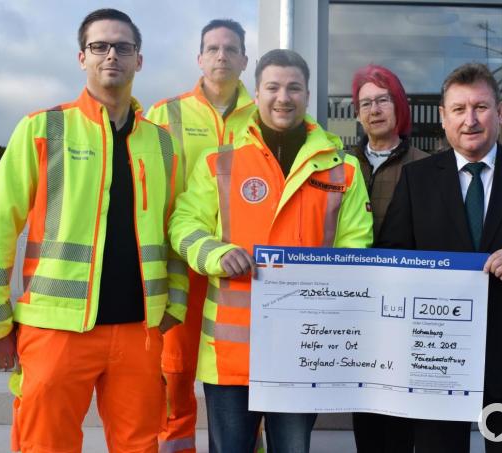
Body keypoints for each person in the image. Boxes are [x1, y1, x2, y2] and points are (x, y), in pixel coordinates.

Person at [0, 8, 186, 452]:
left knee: (140, 446)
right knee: (44, 444)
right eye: (100, 46)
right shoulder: (43, 128)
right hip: (55, 328)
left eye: (123, 47)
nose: (112, 55)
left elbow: (177, 228)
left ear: (138, 60)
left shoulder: (163, 143)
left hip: (139, 331)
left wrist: (175, 306)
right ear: (82, 57)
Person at [168, 49, 373, 453]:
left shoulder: (343, 169)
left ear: (308, 95)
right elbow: (183, 225)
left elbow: (356, 246)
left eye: (294, 87)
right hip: (231, 355)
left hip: (304, 349)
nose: (284, 97)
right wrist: (214, 252)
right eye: (273, 87)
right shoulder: (219, 162)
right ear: (257, 93)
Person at [377, 62, 502, 452]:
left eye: (481, 107)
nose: (470, 120)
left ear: (500, 113)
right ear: (442, 118)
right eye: (458, 109)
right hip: (436, 358)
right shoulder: (417, 179)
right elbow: (392, 258)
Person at [145, 19, 256, 453]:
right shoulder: (163, 114)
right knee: (174, 371)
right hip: (179, 263)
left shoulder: (265, 112)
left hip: (241, 270)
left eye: (231, 49)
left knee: (246, 375)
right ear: (199, 58)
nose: (221, 56)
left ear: (245, 60)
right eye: (212, 48)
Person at [346, 64, 430, 452]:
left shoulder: (428, 166)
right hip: (354, 301)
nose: (375, 109)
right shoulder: (339, 163)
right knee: (364, 401)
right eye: (366, 103)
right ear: (357, 112)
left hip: (405, 303)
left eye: (383, 100)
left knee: (400, 409)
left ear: (398, 107)